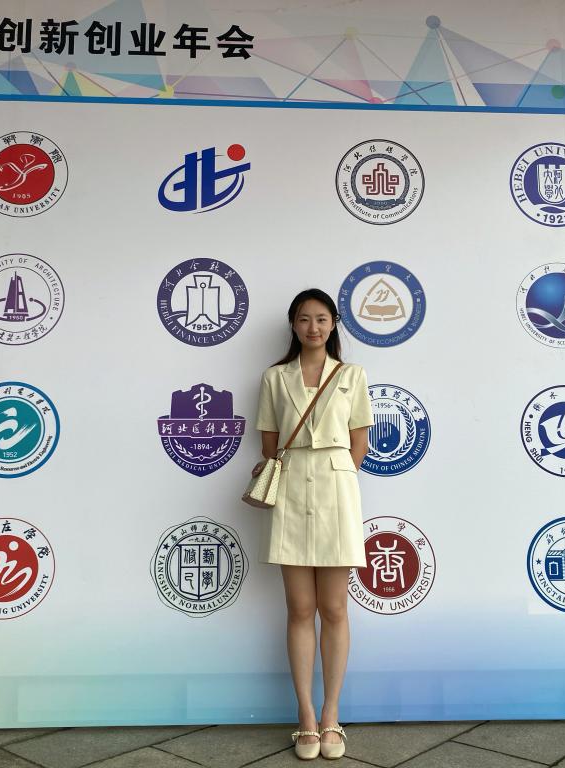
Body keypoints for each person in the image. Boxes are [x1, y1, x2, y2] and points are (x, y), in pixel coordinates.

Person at [253, 288, 374, 760]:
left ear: (333, 324)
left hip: (337, 491)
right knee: (300, 608)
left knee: (335, 608)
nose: (313, 327)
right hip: (292, 489)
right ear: (293, 324)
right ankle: (305, 718)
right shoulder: (274, 377)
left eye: (321, 319)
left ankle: (331, 717)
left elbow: (358, 444)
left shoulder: (352, 375)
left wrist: (335, 477)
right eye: (304, 319)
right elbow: (269, 444)